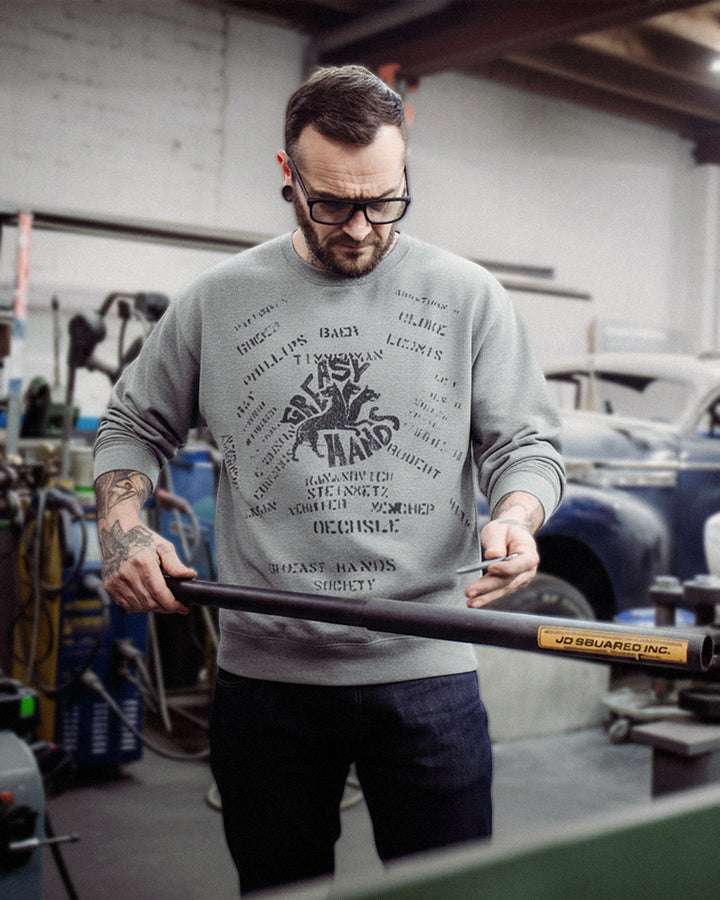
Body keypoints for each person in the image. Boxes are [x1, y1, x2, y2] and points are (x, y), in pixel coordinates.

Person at [93, 64, 565, 895]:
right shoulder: (216, 302)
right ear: (288, 175)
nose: (359, 228)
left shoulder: (469, 298)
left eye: (384, 201)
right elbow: (133, 428)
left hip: (428, 666)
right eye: (332, 203)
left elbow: (524, 443)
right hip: (267, 678)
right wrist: (124, 529)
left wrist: (519, 515)